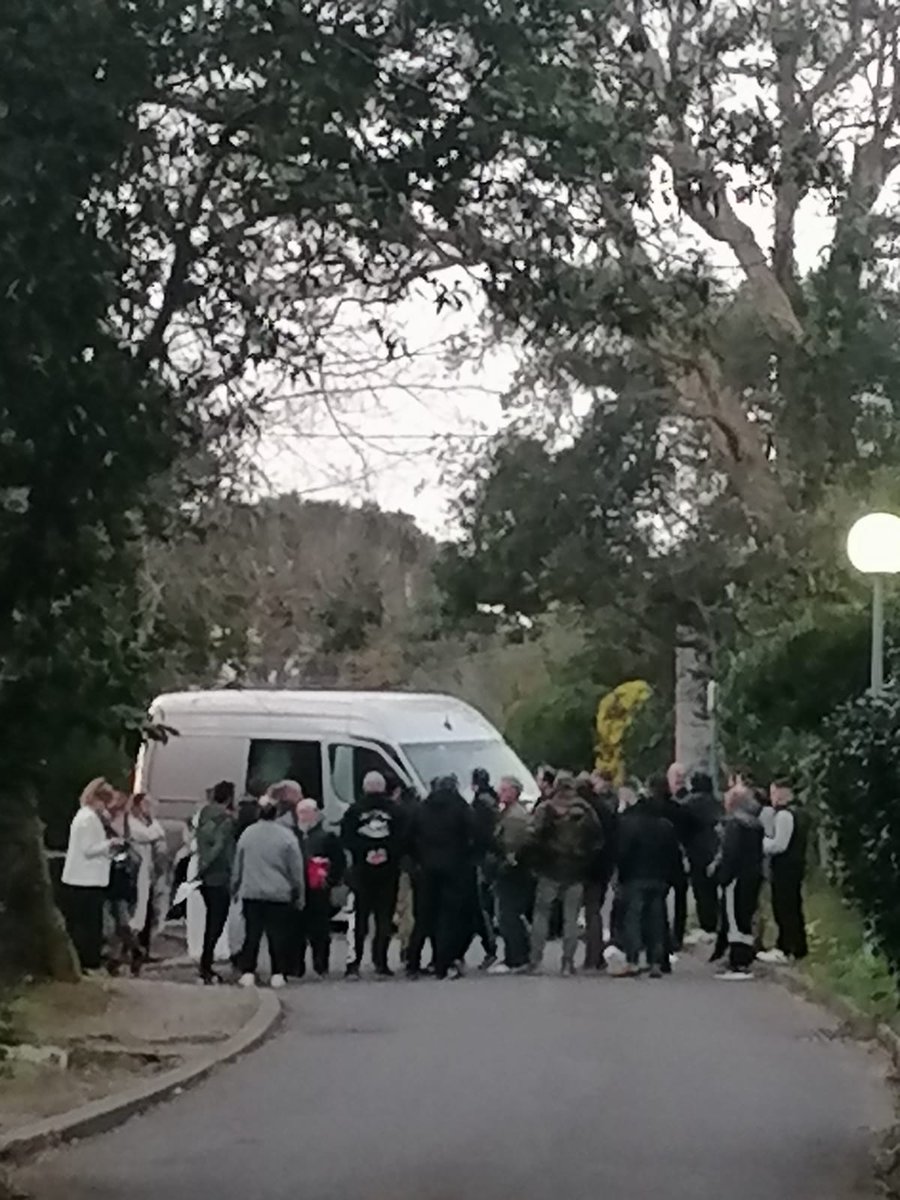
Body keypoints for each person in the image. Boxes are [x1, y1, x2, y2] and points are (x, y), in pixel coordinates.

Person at [526, 772, 603, 975]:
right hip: (576, 870)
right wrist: (585, 858)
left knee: (541, 915)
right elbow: (597, 839)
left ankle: (535, 961)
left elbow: (531, 837)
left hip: (549, 868)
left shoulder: (545, 808)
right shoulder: (585, 809)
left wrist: (536, 861)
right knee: (571, 918)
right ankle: (567, 963)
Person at [232, 791, 305, 988]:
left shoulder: (248, 834)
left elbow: (238, 863)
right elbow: (296, 868)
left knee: (252, 933)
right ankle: (278, 973)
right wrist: (299, 893)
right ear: (276, 813)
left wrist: (235, 886)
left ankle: (248, 972)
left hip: (252, 891)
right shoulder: (286, 837)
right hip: (279, 893)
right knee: (277, 935)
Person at [407, 775, 476, 980]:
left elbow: (408, 837)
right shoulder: (460, 808)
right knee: (448, 917)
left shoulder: (422, 808)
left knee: (424, 916)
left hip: (426, 868)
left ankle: (413, 962)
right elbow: (475, 833)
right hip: (454, 868)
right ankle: (442, 964)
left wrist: (417, 859)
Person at [611, 780, 681, 979]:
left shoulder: (629, 824)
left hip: (634, 878)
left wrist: (620, 875)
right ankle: (655, 961)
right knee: (656, 921)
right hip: (659, 879)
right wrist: (672, 878)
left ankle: (633, 960)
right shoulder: (665, 826)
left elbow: (622, 852)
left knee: (633, 919)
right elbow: (673, 855)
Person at [341, 771, 403, 978]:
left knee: (358, 919)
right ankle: (381, 962)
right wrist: (386, 852)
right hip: (388, 872)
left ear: (364, 787)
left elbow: (347, 838)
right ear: (383, 787)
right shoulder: (395, 810)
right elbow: (402, 838)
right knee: (384, 918)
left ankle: (353, 964)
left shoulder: (354, 810)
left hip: (361, 872)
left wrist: (365, 852)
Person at [61, 778, 120, 973]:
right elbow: (88, 849)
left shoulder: (88, 817)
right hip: (85, 879)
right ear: (97, 799)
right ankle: (88, 960)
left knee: (88, 923)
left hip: (87, 878)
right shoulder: (88, 819)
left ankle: (88, 958)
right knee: (88, 924)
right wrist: (110, 844)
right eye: (105, 802)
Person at [715, 784, 764, 981]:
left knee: (734, 918)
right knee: (746, 916)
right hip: (753, 875)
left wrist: (723, 877)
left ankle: (738, 961)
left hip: (737, 878)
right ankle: (745, 956)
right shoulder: (755, 824)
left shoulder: (735, 825)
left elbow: (731, 854)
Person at [758, 778, 809, 964]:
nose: (771, 797)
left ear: (782, 793)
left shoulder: (784, 815)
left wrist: (761, 843)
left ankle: (785, 947)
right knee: (793, 906)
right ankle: (798, 946)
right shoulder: (799, 813)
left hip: (785, 867)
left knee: (784, 907)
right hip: (795, 865)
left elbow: (779, 844)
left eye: (773, 793)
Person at [292, 798, 345, 978]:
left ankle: (321, 965)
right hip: (298, 889)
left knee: (320, 929)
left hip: (319, 890)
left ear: (316, 814)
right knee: (296, 930)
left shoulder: (327, 837)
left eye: (308, 812)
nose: (304, 816)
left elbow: (339, 861)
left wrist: (330, 880)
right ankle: (296, 966)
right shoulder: (292, 836)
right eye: (301, 813)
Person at [488, 776, 533, 974]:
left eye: (505, 789)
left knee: (508, 916)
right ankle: (516, 956)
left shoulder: (515, 817)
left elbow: (511, 847)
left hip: (513, 872)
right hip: (513, 871)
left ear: (514, 792)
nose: (500, 792)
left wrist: (502, 865)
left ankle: (516, 958)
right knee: (508, 915)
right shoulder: (509, 812)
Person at [195, 780, 237, 985]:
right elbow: (221, 848)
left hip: (206, 877)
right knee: (217, 923)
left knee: (211, 920)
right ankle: (206, 965)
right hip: (220, 875)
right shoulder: (226, 820)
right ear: (229, 798)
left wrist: (201, 868)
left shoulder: (203, 816)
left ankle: (206, 963)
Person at [579, 770, 618, 970]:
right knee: (594, 909)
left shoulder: (585, 810)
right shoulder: (603, 807)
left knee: (590, 911)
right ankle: (595, 956)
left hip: (587, 866)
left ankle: (593, 956)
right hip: (603, 865)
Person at [124, 793, 166, 975]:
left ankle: (144, 948)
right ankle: (130, 950)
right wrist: (154, 827)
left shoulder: (148, 822)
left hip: (148, 871)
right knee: (136, 912)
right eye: (146, 804)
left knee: (148, 911)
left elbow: (159, 833)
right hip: (137, 872)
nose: (149, 807)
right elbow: (149, 835)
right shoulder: (131, 822)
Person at [682, 771, 724, 941]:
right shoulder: (716, 802)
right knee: (713, 889)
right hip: (714, 849)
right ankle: (716, 923)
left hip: (696, 850)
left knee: (701, 890)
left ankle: (706, 925)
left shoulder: (689, 803)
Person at [468, 767, 499, 969]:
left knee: (481, 907)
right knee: (487, 905)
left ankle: (490, 948)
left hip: (481, 859)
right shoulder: (494, 801)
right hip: (492, 857)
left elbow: (478, 834)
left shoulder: (479, 805)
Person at [663, 761, 690, 951]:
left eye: (681, 776)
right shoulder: (675, 804)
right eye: (676, 776)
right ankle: (668, 935)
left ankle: (675, 935)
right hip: (670, 855)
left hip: (678, 855)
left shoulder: (684, 803)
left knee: (678, 896)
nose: (679, 780)